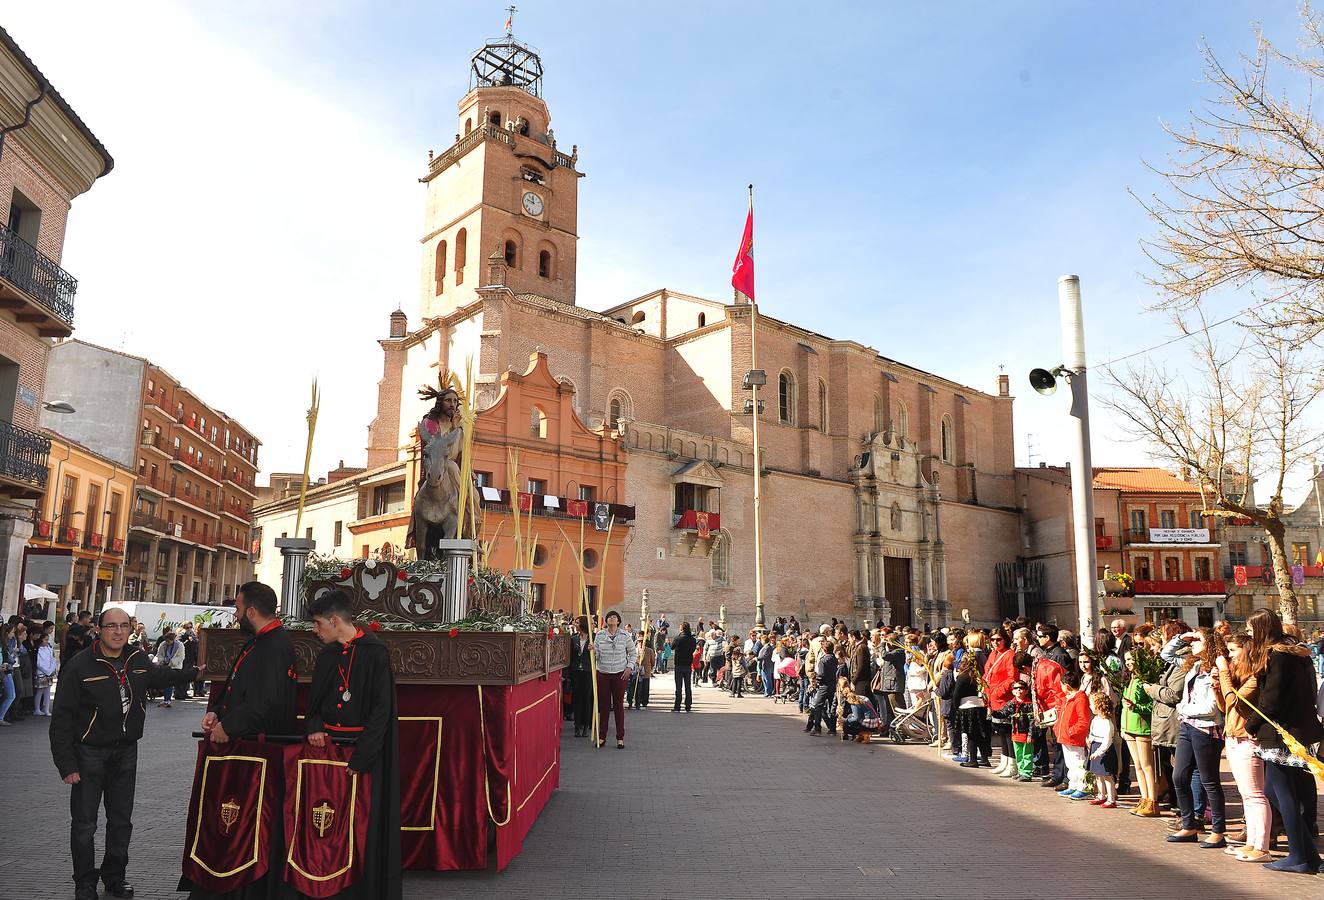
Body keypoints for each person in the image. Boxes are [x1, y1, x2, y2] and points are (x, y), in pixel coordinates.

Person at [49, 606, 198, 900]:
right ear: (99, 629)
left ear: (130, 629)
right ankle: (84, 883)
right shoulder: (80, 666)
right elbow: (61, 719)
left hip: (126, 751)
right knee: (84, 824)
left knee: (121, 821)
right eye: (111, 626)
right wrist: (66, 764)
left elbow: (163, 676)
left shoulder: (137, 658)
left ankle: (115, 878)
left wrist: (199, 671)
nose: (118, 632)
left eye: (123, 626)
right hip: (89, 753)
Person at [304, 589, 403, 900]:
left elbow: (381, 711)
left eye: (318, 624)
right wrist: (315, 727)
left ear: (335, 621)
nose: (315, 630)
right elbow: (314, 703)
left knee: (359, 823)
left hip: (360, 755)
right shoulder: (327, 654)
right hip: (327, 753)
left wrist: (361, 759)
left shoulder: (375, 653)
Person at [1240, 609, 1323, 874]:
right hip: (1297, 730)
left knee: (1280, 792)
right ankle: (1308, 854)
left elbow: (1272, 701)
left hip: (1282, 734)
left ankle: (1299, 855)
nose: (1249, 634)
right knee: (1278, 791)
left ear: (1262, 629)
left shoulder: (1278, 657)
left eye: (1252, 629)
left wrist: (1250, 724)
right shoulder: (1291, 652)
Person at [201, 582, 298, 744]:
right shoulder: (257, 641)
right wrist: (216, 712)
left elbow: (267, 702)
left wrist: (229, 726)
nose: (236, 615)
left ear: (251, 612)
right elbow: (238, 686)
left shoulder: (275, 646)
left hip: (260, 745)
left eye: (238, 609)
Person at [1163, 627, 1228, 849]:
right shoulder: (1194, 664)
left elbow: (1211, 708)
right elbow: (1166, 655)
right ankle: (1189, 825)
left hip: (1206, 729)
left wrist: (1183, 708)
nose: (1192, 645)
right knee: (1179, 776)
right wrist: (1181, 638)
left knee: (1209, 780)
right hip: (1188, 727)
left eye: (1197, 641)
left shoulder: (1216, 668)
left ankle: (1218, 831)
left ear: (1209, 644)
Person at [1213, 629, 1271, 863]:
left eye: (1233, 651)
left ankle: (1263, 846)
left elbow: (1235, 701)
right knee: (1245, 794)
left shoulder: (1254, 676)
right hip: (1233, 736)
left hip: (1248, 739)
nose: (1230, 656)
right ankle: (1251, 842)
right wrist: (1217, 687)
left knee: (1256, 794)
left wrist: (1224, 673)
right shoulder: (1236, 675)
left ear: (1245, 651)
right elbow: (1224, 706)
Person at [1120, 650, 1158, 817]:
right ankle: (1144, 798)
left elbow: (1152, 706)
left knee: (1147, 765)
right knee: (1137, 765)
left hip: (1142, 727)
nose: (1128, 663)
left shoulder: (1145, 680)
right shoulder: (1129, 679)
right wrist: (1122, 727)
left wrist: (1135, 707)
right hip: (1129, 727)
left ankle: (1153, 801)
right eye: (1126, 659)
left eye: (1131, 659)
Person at [592, 611, 636, 749]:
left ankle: (620, 737)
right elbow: (596, 655)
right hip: (603, 673)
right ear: (606, 621)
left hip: (619, 673)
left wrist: (629, 667)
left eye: (614, 617)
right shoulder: (599, 635)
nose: (612, 618)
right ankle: (602, 736)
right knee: (604, 706)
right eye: (609, 617)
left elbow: (633, 652)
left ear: (618, 621)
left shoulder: (625, 635)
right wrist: (593, 650)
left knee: (618, 705)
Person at [1055, 670, 1092, 800]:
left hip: (1074, 738)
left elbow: (1083, 721)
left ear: (1067, 685)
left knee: (1079, 763)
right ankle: (1073, 785)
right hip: (1066, 737)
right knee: (1071, 764)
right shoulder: (1068, 699)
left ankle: (1082, 787)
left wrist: (1071, 731)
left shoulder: (1080, 699)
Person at [1000, 680, 1036, 782]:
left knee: (1027, 754)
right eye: (1015, 688)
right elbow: (1003, 713)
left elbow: (1032, 721)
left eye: (1021, 688)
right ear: (1012, 691)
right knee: (1018, 754)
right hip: (1015, 733)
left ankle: (1027, 773)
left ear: (1026, 691)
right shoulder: (1011, 703)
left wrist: (1030, 734)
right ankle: (1021, 771)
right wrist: (992, 712)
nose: (1018, 690)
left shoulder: (1029, 704)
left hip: (1026, 733)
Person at [1087, 692, 1118, 808]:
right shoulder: (1095, 719)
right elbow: (1092, 731)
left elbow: (1107, 741)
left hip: (1104, 750)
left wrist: (1099, 752)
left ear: (1099, 706)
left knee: (1107, 776)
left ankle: (1111, 799)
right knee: (1098, 774)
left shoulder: (1107, 723)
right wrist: (1090, 740)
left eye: (1091, 704)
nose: (1090, 706)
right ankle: (1101, 795)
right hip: (1095, 745)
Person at [570, 617, 594, 736]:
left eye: (577, 623)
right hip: (576, 672)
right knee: (577, 699)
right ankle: (577, 725)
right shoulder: (573, 639)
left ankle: (585, 725)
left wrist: (593, 650)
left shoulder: (593, 639)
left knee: (586, 699)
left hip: (588, 671)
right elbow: (570, 656)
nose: (575, 624)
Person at [671, 622, 696, 713]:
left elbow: (672, 647)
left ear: (681, 629)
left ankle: (677, 706)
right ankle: (688, 705)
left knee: (678, 687)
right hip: (688, 664)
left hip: (679, 664)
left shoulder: (678, 638)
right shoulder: (693, 639)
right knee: (688, 686)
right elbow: (693, 649)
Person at [153, 631, 183, 708]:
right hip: (164, 665)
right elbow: (159, 654)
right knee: (166, 683)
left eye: (169, 641)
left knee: (168, 683)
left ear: (173, 640)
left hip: (174, 666)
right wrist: (161, 660)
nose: (167, 642)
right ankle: (167, 699)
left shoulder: (179, 646)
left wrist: (171, 662)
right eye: (166, 640)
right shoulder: (163, 645)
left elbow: (180, 657)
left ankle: (167, 700)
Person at [34, 626, 57, 716]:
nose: (47, 642)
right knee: (40, 691)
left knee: (47, 691)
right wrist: (46, 670)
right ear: (41, 640)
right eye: (45, 640)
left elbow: (53, 659)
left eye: (47, 640)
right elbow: (38, 663)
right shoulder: (39, 649)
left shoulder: (49, 649)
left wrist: (51, 669)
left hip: (49, 672)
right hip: (41, 672)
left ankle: (46, 709)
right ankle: (37, 709)